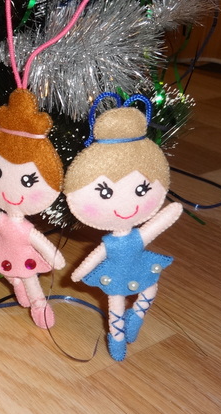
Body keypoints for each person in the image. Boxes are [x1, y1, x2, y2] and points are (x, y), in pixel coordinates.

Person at [64, 95, 182, 361]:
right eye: (105, 192)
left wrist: (172, 211)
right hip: (116, 276)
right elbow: (96, 256)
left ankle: (136, 316)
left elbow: (156, 225)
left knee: (149, 290)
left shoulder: (137, 235)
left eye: (141, 189)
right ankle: (117, 340)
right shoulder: (112, 243)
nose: (125, 206)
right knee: (115, 304)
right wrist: (79, 273)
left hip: (138, 267)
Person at [0, 89, 66, 329]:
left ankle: (39, 303)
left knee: (29, 278)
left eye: (29, 180)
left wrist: (55, 259)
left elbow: (41, 244)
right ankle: (16, 284)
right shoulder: (4, 220)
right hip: (5, 250)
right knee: (7, 271)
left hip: (23, 258)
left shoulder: (25, 228)